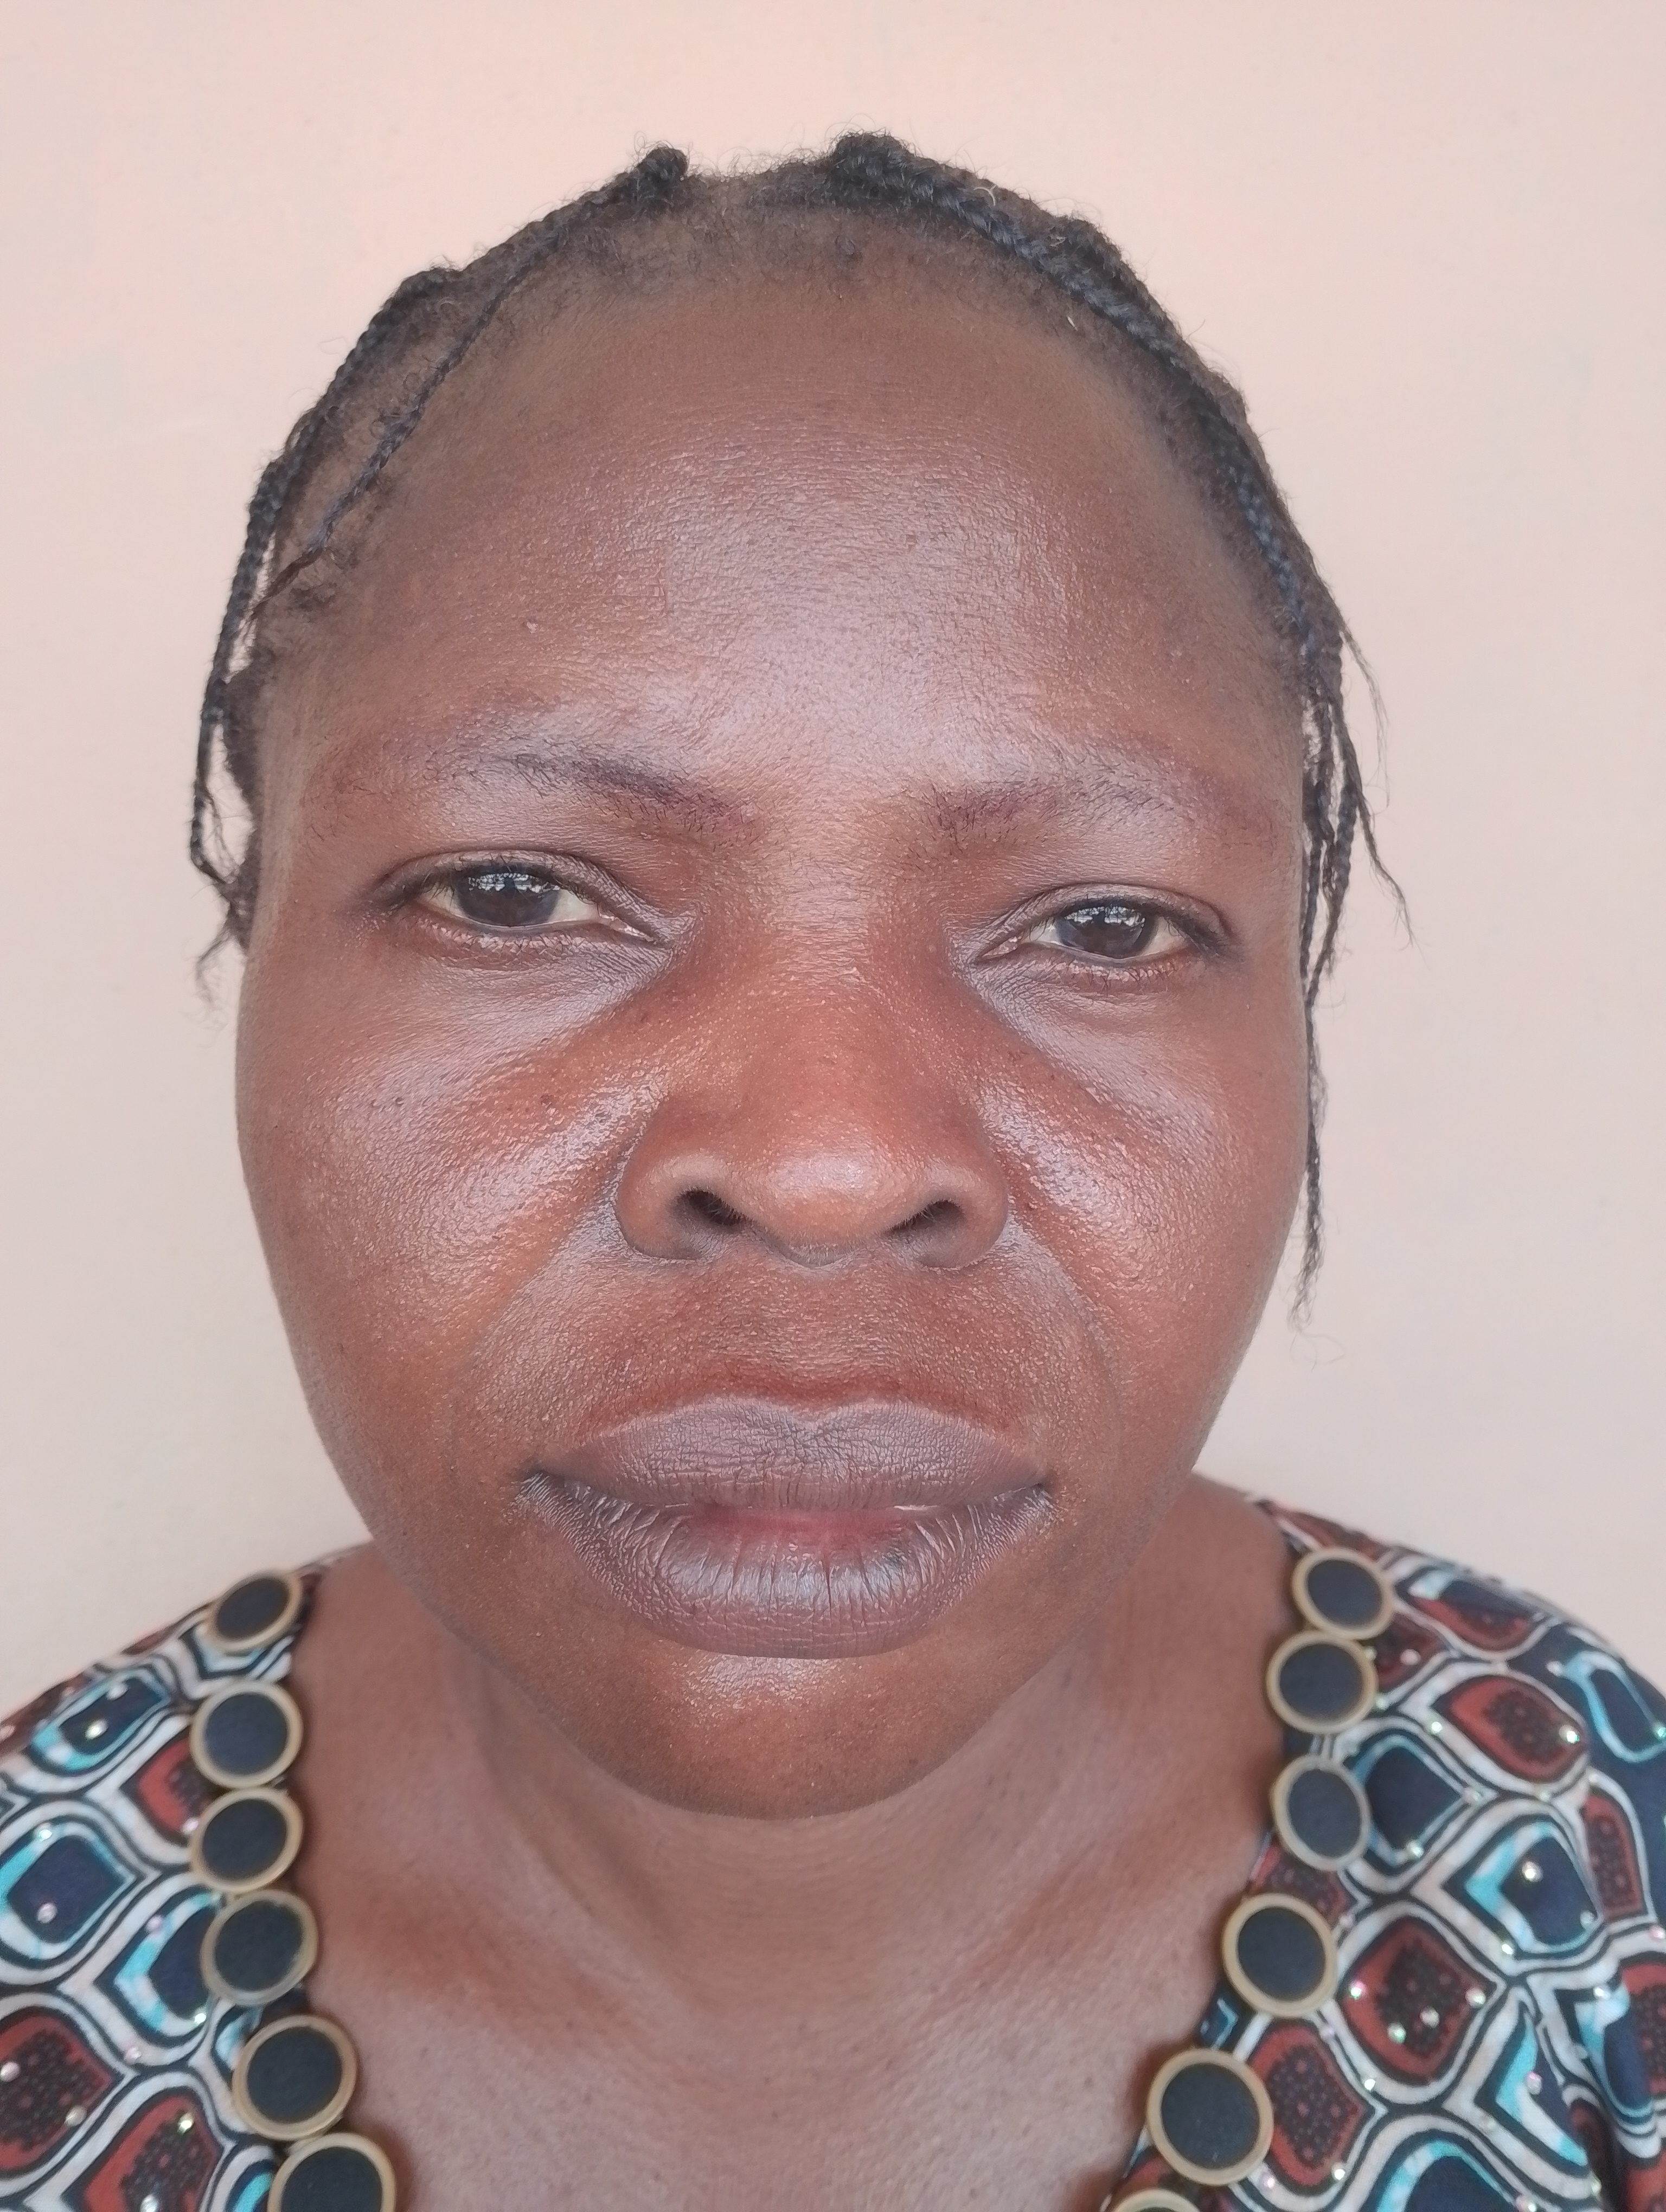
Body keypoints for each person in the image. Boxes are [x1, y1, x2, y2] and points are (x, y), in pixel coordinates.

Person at [1, 135, 1661, 2212]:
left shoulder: (1597, 1875)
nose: (825, 1163)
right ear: (257, 951)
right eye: (515, 892)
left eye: (1106, 922)